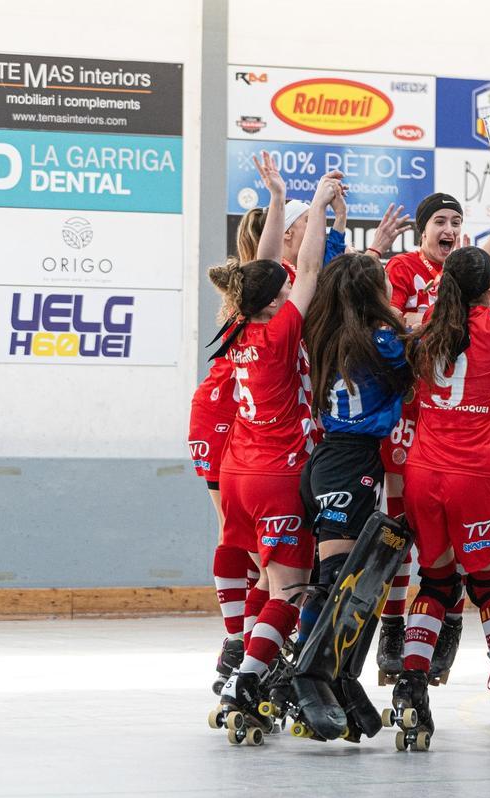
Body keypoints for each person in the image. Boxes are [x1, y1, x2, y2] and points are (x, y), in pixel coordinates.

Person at [387, 215, 490, 753]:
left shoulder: (428, 330)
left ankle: (411, 689)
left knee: (434, 585)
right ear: (487, 288)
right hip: (475, 476)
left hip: (422, 474)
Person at [210, 170, 343, 739]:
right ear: (276, 303)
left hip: (236, 470)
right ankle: (246, 678)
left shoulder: (239, 325)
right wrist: (314, 205)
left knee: (265, 579)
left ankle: (242, 658)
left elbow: (257, 276)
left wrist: (277, 200)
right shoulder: (281, 330)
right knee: (291, 591)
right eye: (284, 294)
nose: (294, 293)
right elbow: (308, 268)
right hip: (275, 473)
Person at [375, 194, 490, 684]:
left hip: (432, 435)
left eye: (456, 222)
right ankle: (394, 627)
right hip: (419, 423)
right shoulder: (405, 270)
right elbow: (389, 321)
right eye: (439, 220)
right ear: (423, 230)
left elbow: (466, 277)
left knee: (436, 567)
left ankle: (437, 637)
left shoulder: (447, 307)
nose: (449, 228)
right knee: (411, 538)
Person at [288, 243, 413, 742]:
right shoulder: (381, 342)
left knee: (353, 581)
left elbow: (325, 276)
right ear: (372, 294)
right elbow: (429, 350)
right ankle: (308, 675)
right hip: (347, 462)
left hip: (332, 459)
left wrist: (345, 237)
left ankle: (337, 676)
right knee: (340, 579)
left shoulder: (326, 331)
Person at [196, 153, 283, 694]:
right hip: (229, 416)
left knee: (246, 537)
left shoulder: (261, 291)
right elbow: (272, 256)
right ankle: (248, 650)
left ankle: (242, 642)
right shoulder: (263, 294)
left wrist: (280, 200)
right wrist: (281, 203)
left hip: (225, 410)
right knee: (260, 550)